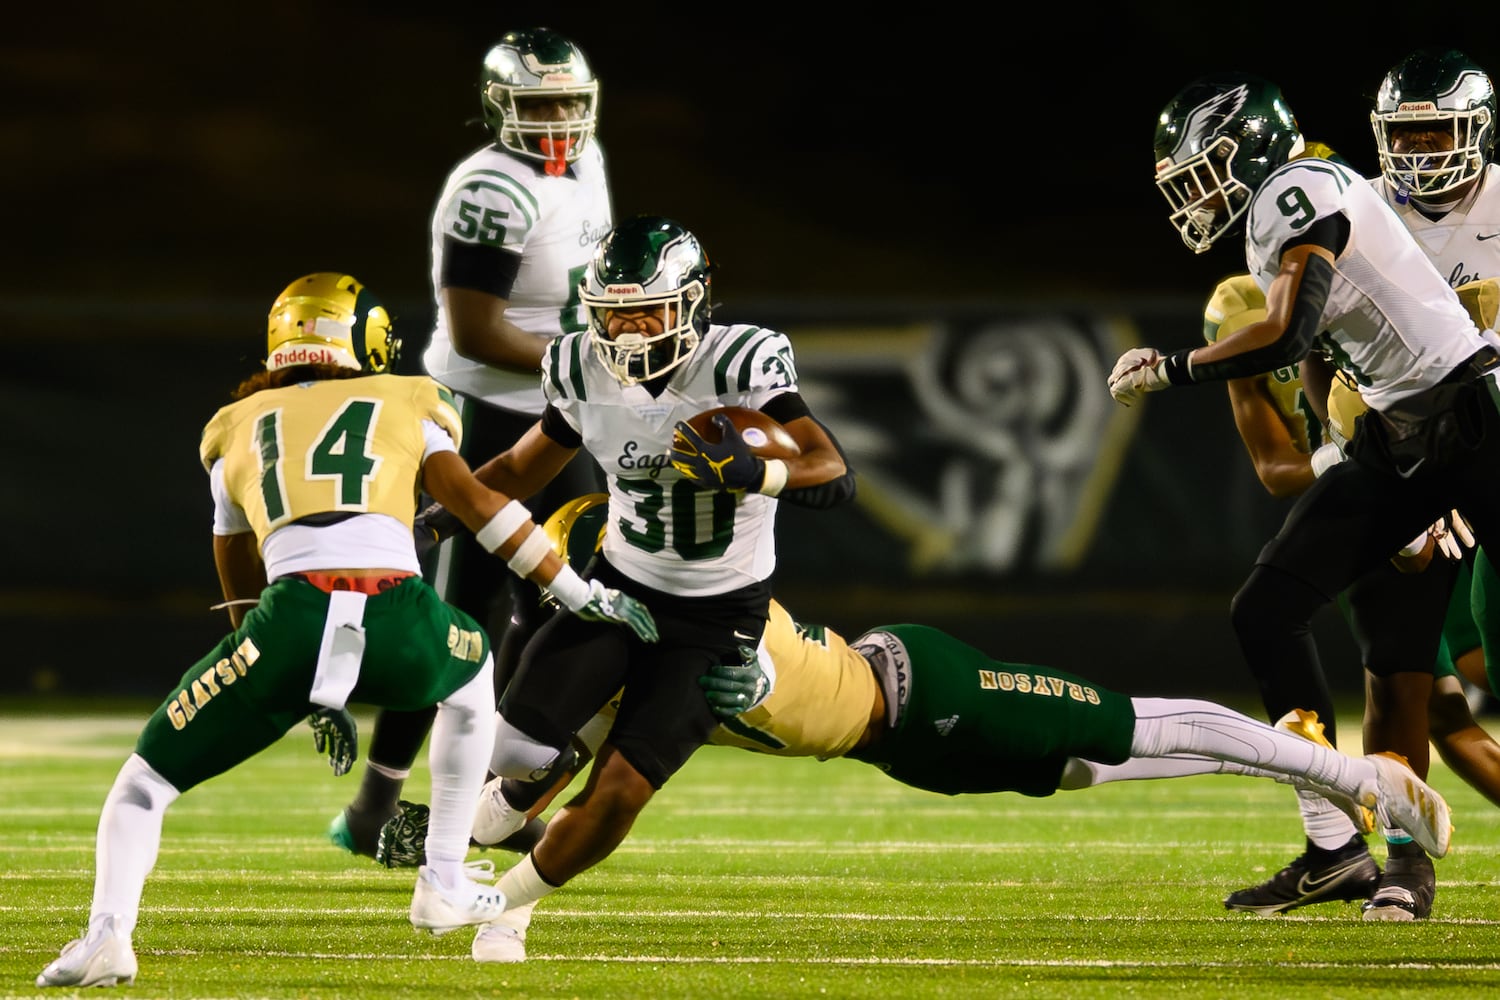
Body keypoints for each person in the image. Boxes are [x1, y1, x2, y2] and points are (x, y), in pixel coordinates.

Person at [381, 492, 1451, 962]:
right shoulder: (614, 670)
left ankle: (1359, 781)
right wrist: (446, 836)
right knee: (1110, 767)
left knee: (1145, 732)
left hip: (918, 688)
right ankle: (1334, 807)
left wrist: (490, 868)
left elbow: (577, 795)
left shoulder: (700, 613)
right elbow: (520, 805)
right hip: (904, 753)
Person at [33, 273, 658, 989]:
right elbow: (481, 505)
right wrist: (575, 590)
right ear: (361, 338)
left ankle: (107, 937)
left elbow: (234, 557)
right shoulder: (406, 399)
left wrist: (269, 658)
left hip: (287, 619)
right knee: (472, 668)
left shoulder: (236, 423)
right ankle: (444, 878)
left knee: (143, 782)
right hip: (398, 610)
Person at [1108, 69, 1500, 925]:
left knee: (1467, 665)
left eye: (1204, 170)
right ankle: (1337, 844)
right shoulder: (1282, 209)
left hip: (1474, 421)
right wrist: (1332, 446)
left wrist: (1174, 367)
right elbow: (1321, 344)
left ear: (1245, 147)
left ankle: (1385, 856)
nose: (1196, 194)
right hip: (1400, 435)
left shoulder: (1295, 187)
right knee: (1272, 610)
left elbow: (1288, 327)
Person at [439, 215, 856, 962]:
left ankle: (507, 907)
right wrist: (436, 516)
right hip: (622, 583)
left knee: (623, 790)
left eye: (647, 312)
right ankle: (535, 774)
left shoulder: (742, 363)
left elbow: (831, 468)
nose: (629, 332)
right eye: (614, 314)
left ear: (691, 304)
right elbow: (520, 468)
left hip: (721, 612)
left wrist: (762, 472)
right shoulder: (578, 367)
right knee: (513, 748)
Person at [330, 26, 612, 859]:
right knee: (459, 621)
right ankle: (374, 811)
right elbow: (479, 329)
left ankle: (494, 797)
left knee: (563, 593)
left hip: (564, 411)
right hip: (487, 414)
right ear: (500, 109)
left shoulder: (585, 166)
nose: (559, 119)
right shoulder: (490, 187)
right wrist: (591, 358)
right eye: (540, 104)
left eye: (569, 101)